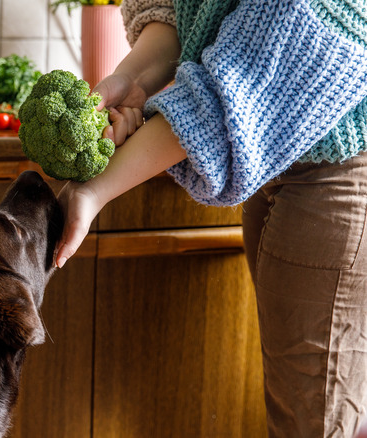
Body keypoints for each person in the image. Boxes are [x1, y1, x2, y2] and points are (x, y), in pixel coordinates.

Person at [54, 0, 367, 436]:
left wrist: (95, 189)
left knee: (314, 419)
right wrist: (135, 78)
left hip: (336, 170)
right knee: (301, 404)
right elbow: (183, 10)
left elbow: (252, 81)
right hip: (272, 166)